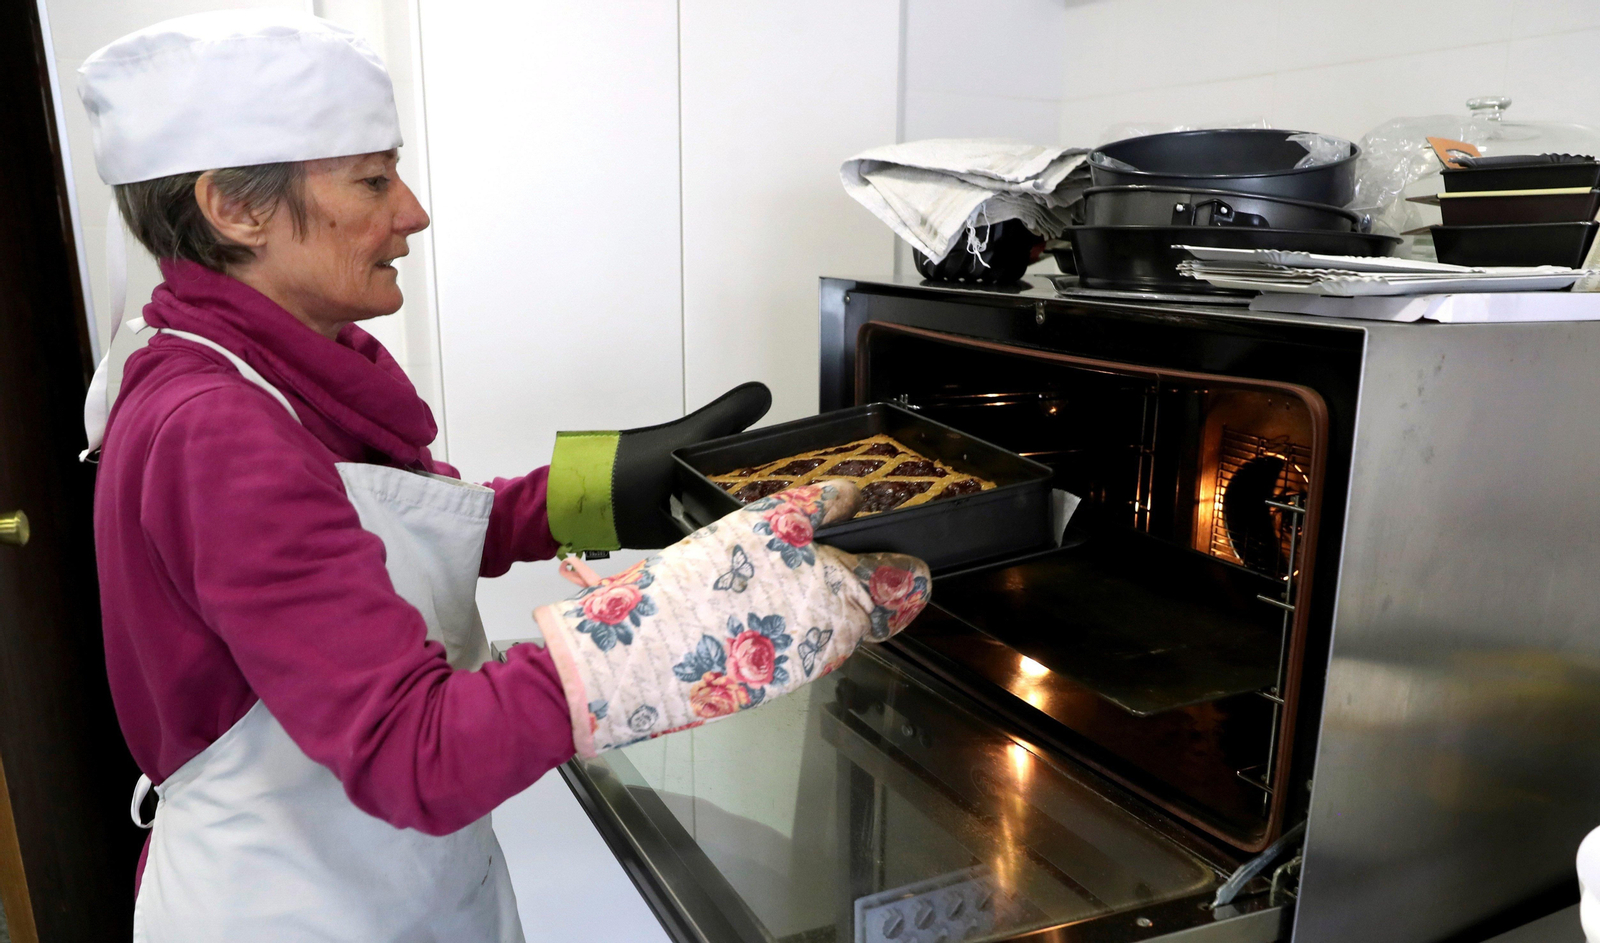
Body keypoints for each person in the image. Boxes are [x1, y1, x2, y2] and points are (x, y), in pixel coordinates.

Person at [78, 11, 929, 941]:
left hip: (382, 878)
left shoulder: (257, 364)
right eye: (372, 179)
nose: (411, 211)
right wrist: (663, 633)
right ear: (233, 209)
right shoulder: (215, 429)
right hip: (300, 907)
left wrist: (596, 493)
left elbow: (371, 536)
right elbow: (418, 753)